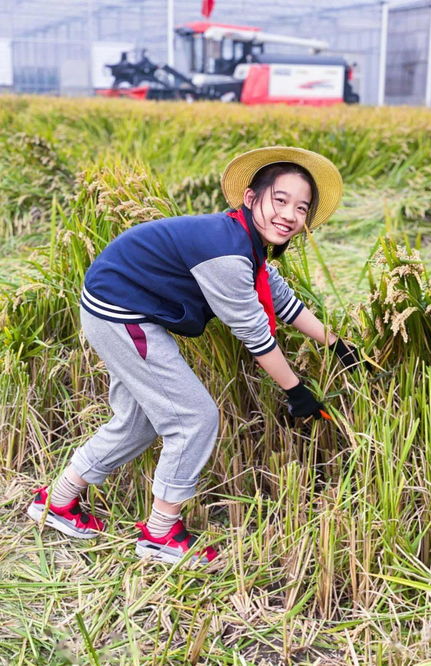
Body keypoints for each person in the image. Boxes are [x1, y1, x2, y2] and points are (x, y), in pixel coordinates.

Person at [27, 146, 361, 565]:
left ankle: (55, 504)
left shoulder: (242, 241)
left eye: (301, 207)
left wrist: (336, 344)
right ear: (252, 198)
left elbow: (279, 298)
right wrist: (297, 391)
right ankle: (161, 534)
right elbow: (255, 336)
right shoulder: (228, 252)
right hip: (121, 314)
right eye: (280, 199)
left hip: (115, 309)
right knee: (194, 418)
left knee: (137, 421)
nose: (290, 215)